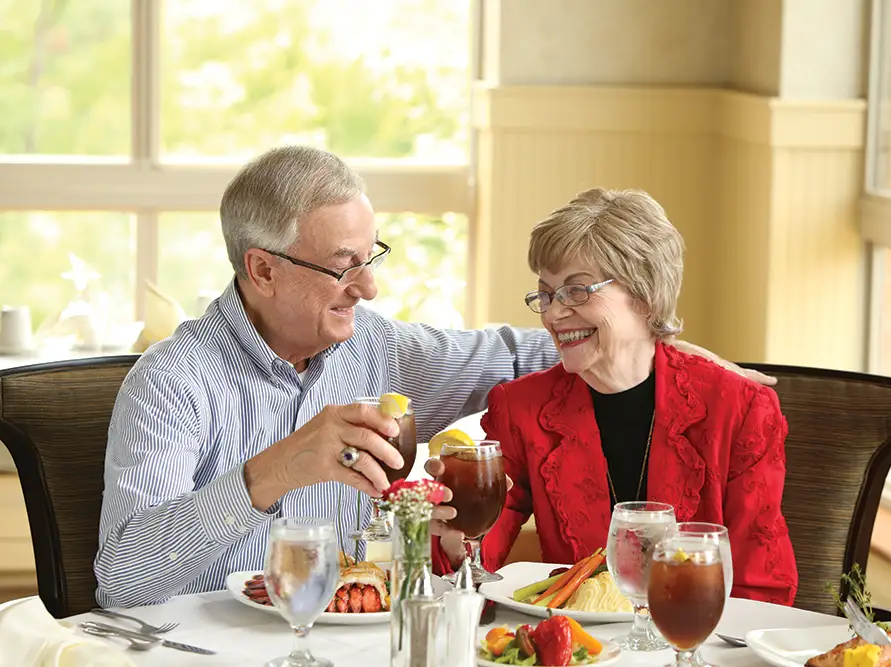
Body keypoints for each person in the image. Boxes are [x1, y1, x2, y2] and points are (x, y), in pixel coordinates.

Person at [95, 146, 771, 608]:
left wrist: (669, 347)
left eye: (372, 255)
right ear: (263, 269)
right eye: (343, 265)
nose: (370, 284)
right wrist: (278, 469)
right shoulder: (171, 382)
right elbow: (121, 578)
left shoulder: (378, 348)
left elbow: (526, 354)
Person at [430, 188, 798, 605]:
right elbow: (472, 558)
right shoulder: (521, 409)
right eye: (547, 294)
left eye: (577, 291)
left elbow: (761, 588)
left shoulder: (740, 408)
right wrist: (451, 538)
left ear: (644, 295)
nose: (552, 314)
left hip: (693, 642)